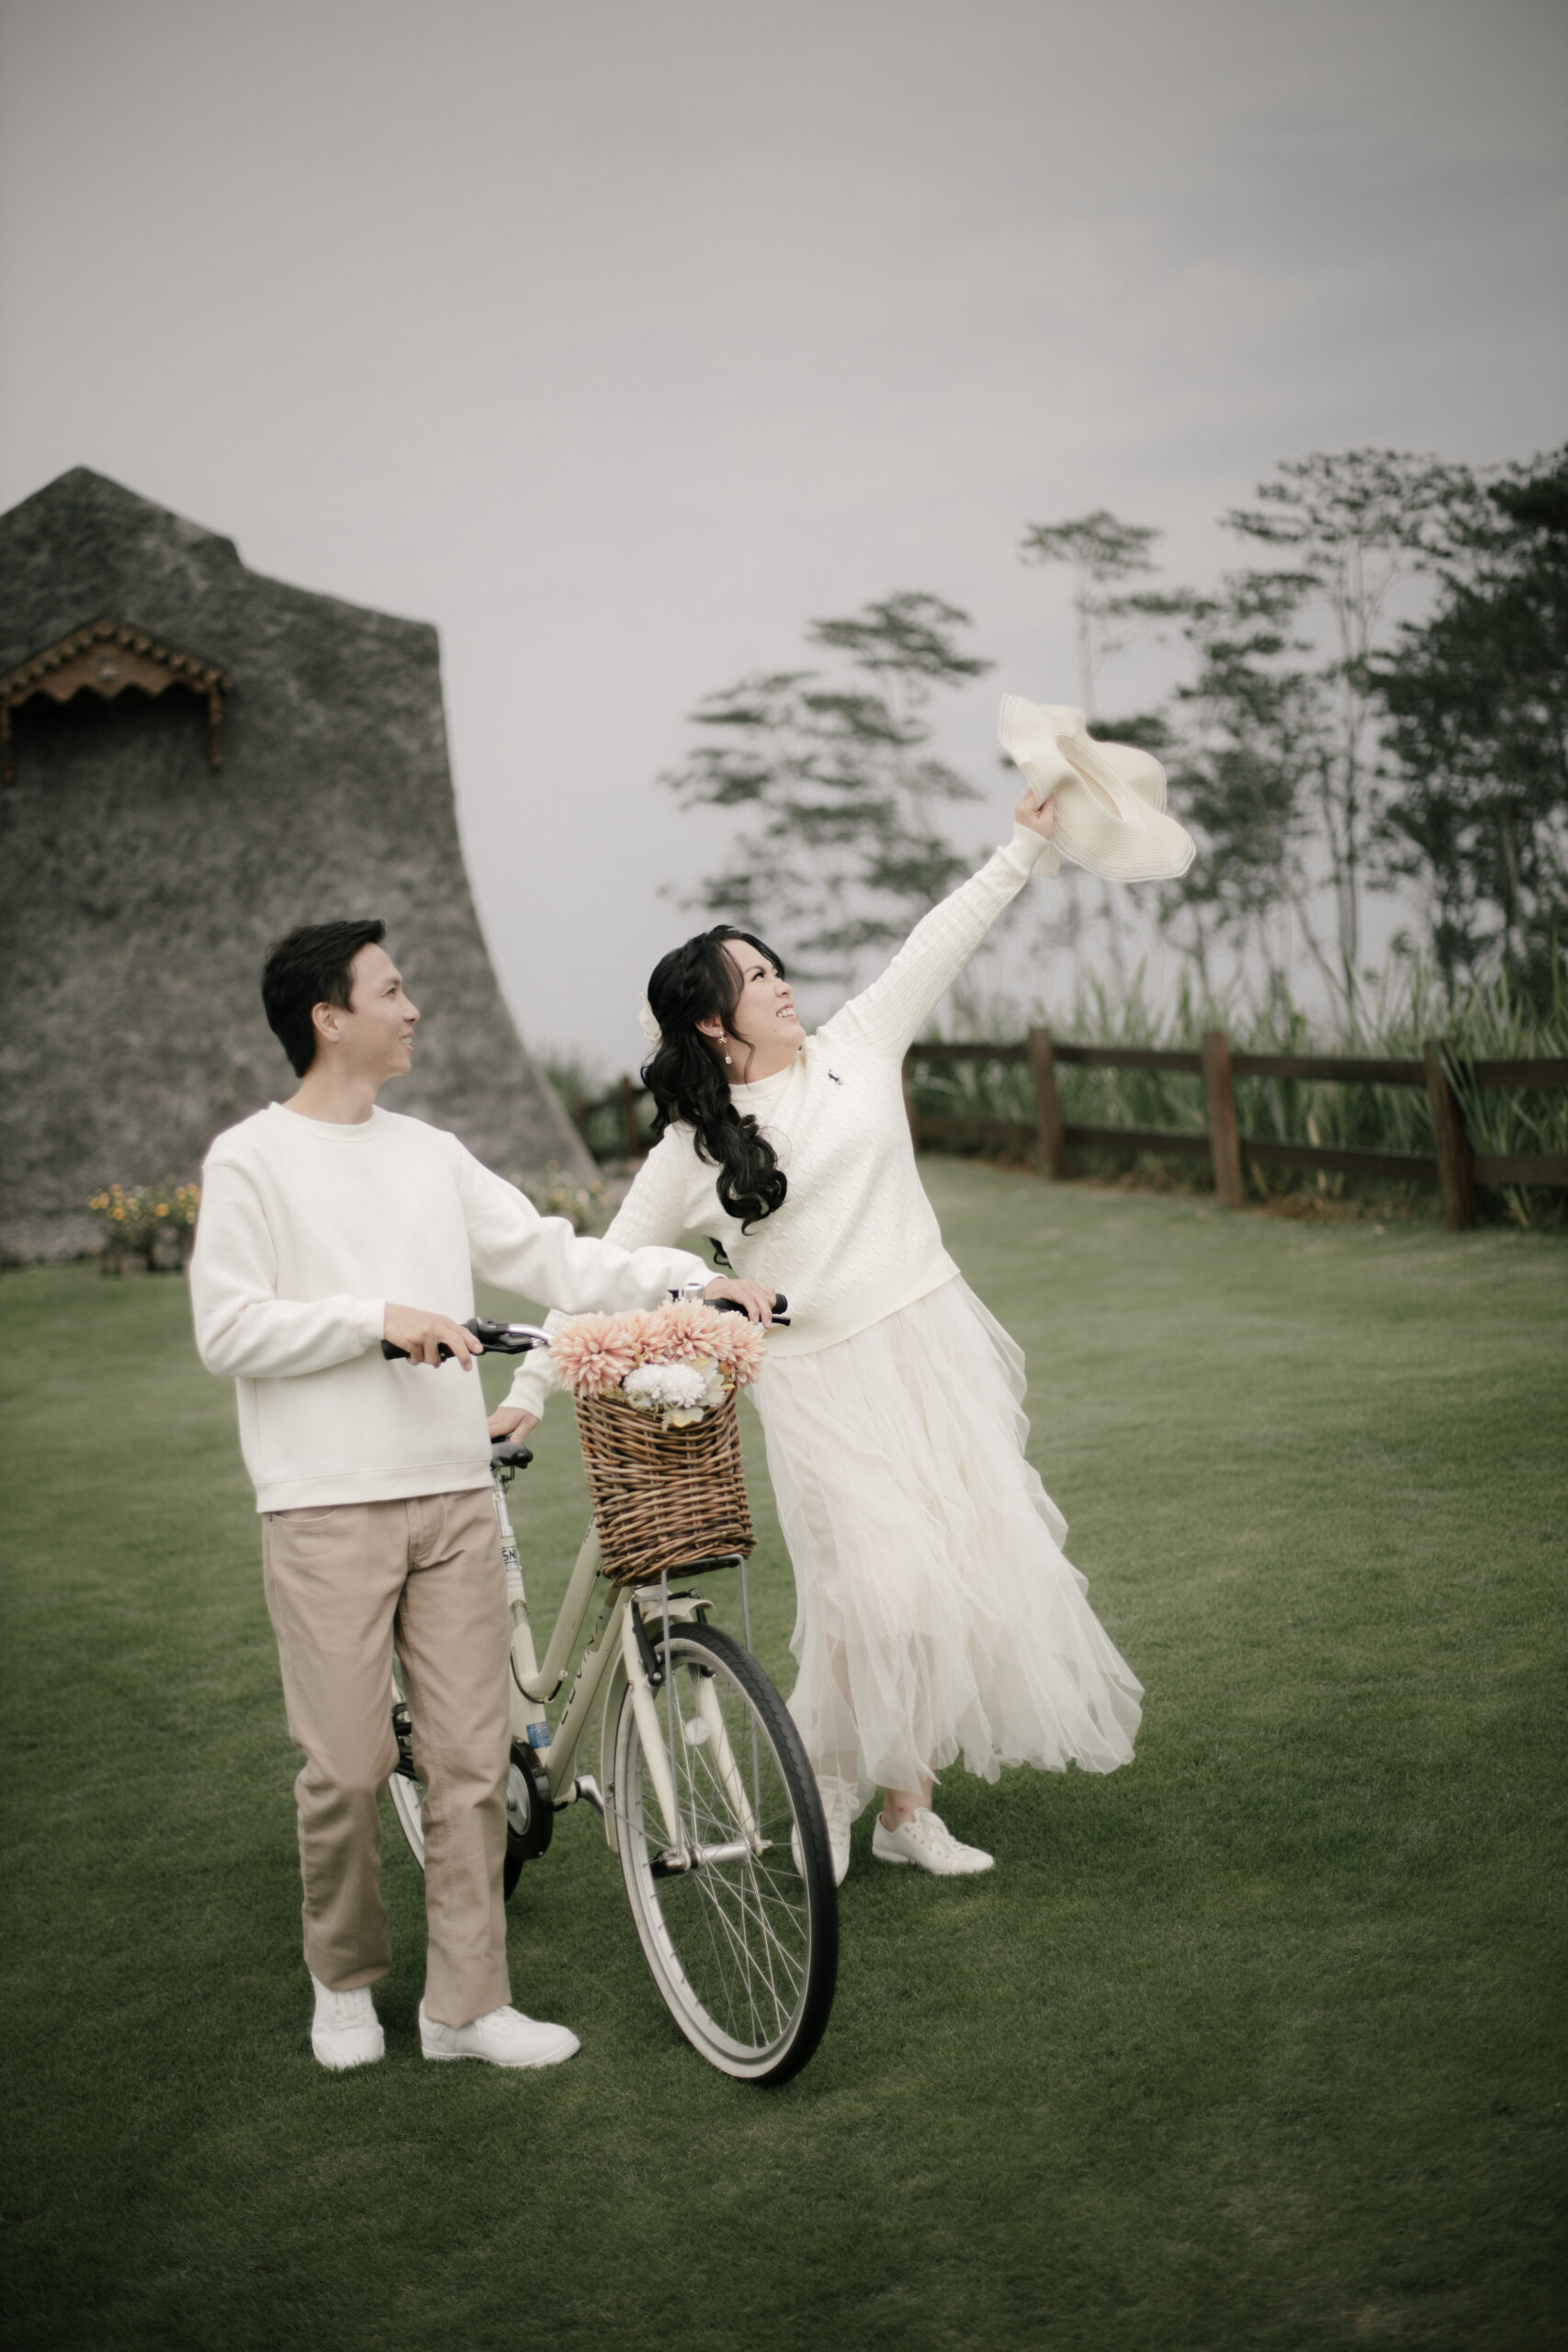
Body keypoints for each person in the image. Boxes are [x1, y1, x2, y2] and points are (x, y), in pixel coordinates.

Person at [491, 790, 1143, 1884]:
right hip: (815, 1378)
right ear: (713, 1022)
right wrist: (529, 1390)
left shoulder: (859, 1045)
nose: (782, 983)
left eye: (775, 968)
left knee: (947, 1581)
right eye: (756, 978)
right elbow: (597, 1271)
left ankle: (904, 1808)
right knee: (874, 1588)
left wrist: (1024, 844)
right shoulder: (692, 1149)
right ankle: (828, 1787)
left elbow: (940, 938)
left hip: (928, 1341)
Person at [189, 920, 772, 2072]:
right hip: (323, 1505)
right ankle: (343, 1981)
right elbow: (228, 1328)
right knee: (347, 1769)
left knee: (467, 1767)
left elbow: (551, 1255)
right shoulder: (249, 1159)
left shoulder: (430, 1152)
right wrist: (376, 1319)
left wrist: (682, 1276)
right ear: (329, 1016)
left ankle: (466, 2007)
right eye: (391, 990)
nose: (413, 1009)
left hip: (453, 1491)